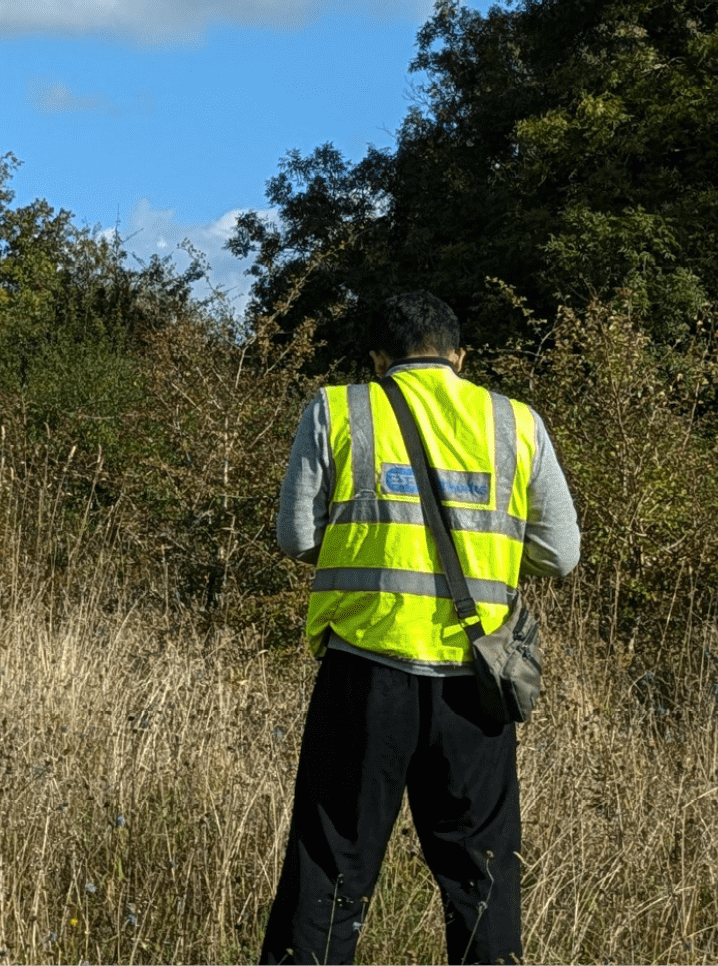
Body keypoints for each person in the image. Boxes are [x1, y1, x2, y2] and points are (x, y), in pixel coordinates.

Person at [260, 291, 579, 966]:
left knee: (332, 864)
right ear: (459, 356)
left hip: (365, 671)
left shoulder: (338, 408)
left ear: (378, 359)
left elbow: (294, 537)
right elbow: (561, 553)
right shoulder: (515, 423)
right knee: (479, 877)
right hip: (476, 684)